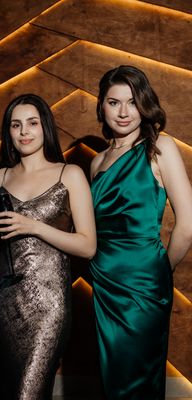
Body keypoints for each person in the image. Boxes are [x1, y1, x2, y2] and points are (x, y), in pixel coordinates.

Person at [0, 93, 96, 399]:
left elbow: (87, 246)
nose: (24, 131)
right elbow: (4, 244)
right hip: (3, 297)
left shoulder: (68, 174)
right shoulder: (0, 177)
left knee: (29, 392)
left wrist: (34, 226)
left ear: (45, 126)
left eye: (32, 123)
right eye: (16, 125)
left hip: (49, 303)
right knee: (7, 389)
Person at [89, 65, 192, 399]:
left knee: (138, 381)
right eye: (113, 102)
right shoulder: (97, 162)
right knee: (112, 378)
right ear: (102, 106)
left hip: (144, 284)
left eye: (132, 102)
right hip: (104, 283)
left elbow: (188, 224)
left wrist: (161, 268)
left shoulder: (159, 146)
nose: (123, 112)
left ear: (144, 104)